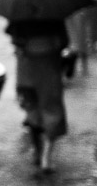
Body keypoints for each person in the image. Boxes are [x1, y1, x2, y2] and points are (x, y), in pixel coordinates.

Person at [6, 17, 70, 174]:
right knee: (51, 108)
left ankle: (37, 151)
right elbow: (64, 41)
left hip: (26, 67)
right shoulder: (54, 14)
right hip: (49, 66)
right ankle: (46, 157)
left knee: (32, 108)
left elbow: (14, 38)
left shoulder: (19, 15)